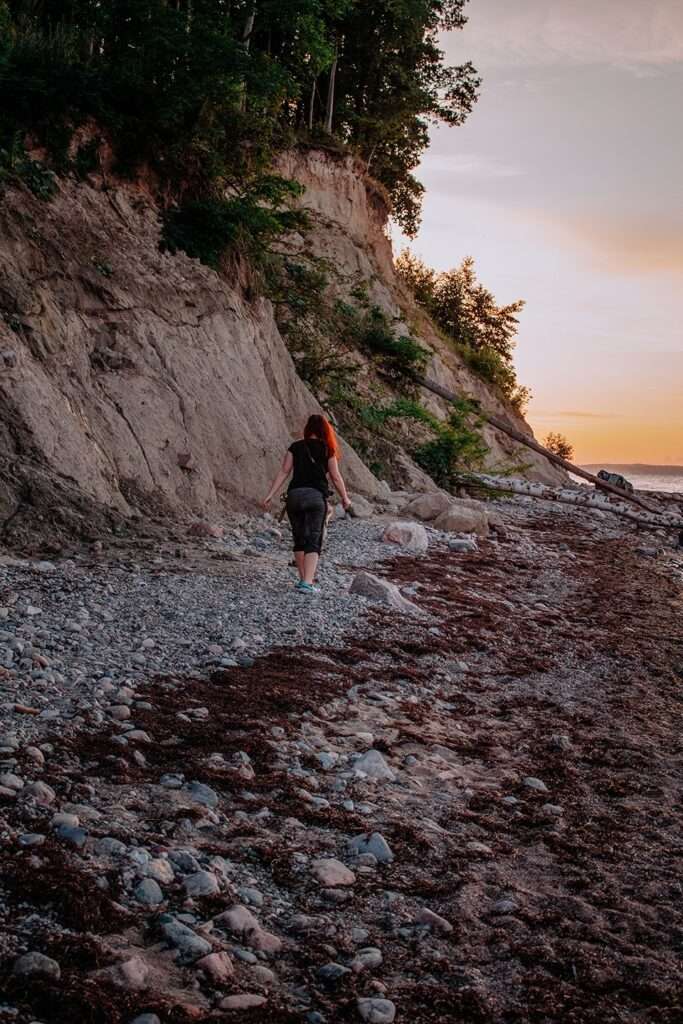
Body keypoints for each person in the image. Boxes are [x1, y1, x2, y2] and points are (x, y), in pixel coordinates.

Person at [262, 414, 352, 593]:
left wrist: (270, 495)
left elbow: (284, 471)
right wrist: (345, 497)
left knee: (299, 538)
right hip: (315, 497)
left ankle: (303, 579)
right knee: (314, 538)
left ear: (308, 429)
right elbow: (335, 476)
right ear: (325, 430)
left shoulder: (295, 447)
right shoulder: (328, 449)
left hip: (294, 496)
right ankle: (307, 583)